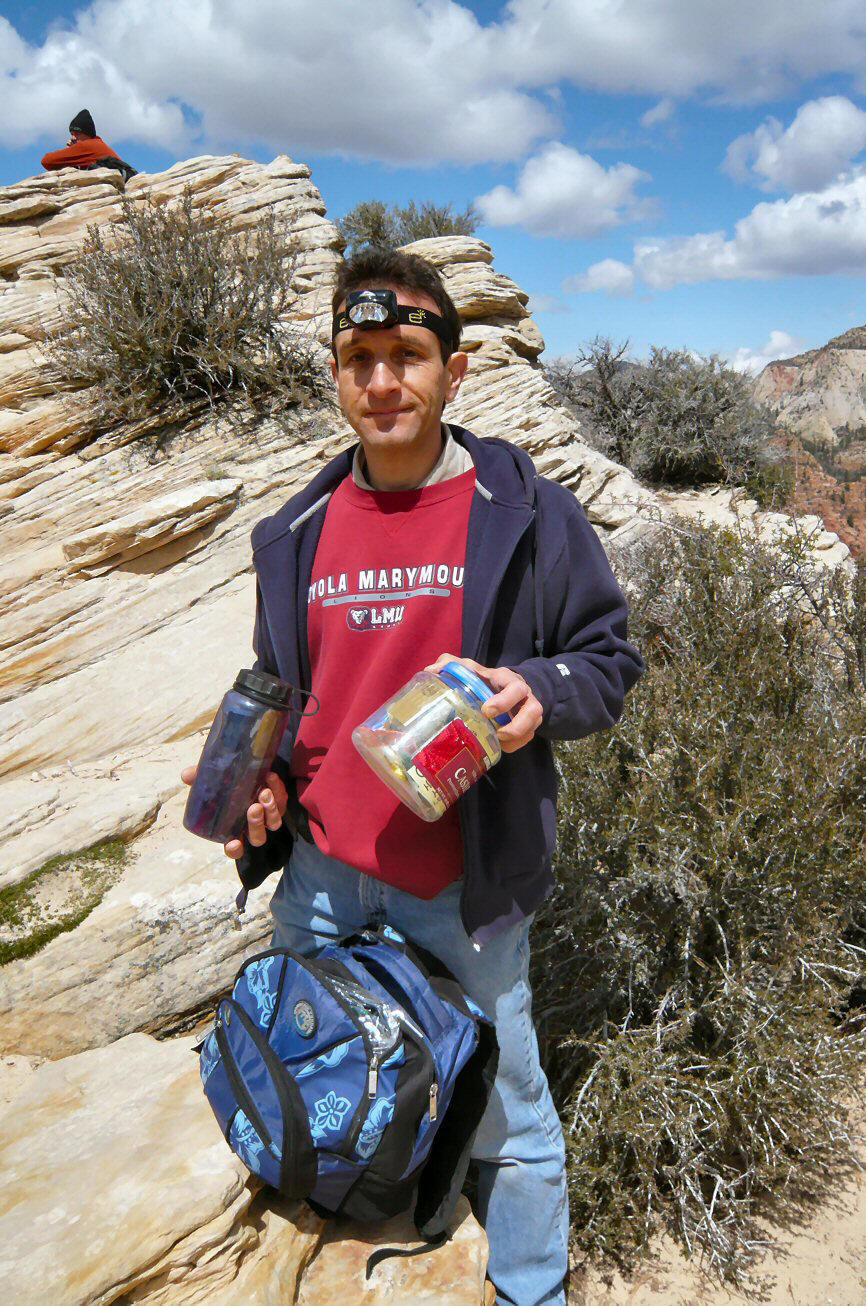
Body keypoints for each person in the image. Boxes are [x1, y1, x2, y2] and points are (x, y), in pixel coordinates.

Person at [183, 247, 643, 1306]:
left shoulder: (525, 510)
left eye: (407, 354)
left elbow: (608, 660)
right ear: (337, 374)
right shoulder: (292, 532)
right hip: (322, 885)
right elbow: (290, 698)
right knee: (318, 1072)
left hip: (463, 892)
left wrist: (540, 692)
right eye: (359, 357)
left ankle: (532, 1289)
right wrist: (258, 796)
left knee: (507, 1119)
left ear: (456, 369)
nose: (383, 380)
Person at [41, 109, 136, 180]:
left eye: (77, 134)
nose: (73, 137)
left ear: (87, 133)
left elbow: (47, 161)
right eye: (72, 134)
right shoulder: (99, 144)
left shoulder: (87, 146)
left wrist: (71, 151)